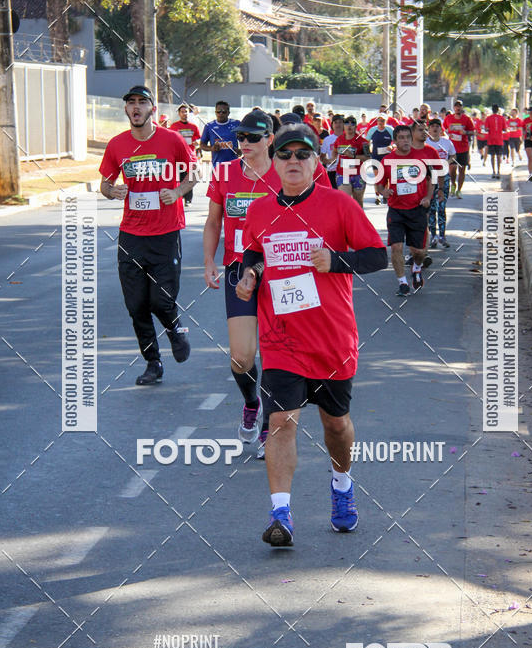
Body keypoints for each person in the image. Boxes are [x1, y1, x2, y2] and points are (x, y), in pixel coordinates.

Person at [235, 124, 388, 546]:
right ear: (276, 162)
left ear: (316, 161)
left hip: (332, 339)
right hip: (282, 338)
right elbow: (251, 257)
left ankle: (342, 485)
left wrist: (335, 260)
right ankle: (281, 514)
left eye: (303, 154)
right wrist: (247, 277)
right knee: (281, 420)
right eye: (285, 155)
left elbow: (376, 256)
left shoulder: (338, 205)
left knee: (335, 424)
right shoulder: (260, 210)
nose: (293, 161)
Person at [204, 114, 331, 458]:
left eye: (253, 137)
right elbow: (213, 221)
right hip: (239, 271)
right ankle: (251, 401)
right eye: (241, 136)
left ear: (269, 139)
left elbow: (325, 210)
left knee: (280, 355)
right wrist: (209, 260)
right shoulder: (225, 172)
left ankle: (267, 430)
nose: (245, 142)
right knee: (242, 358)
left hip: (284, 273)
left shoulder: (290, 170)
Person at [99, 85, 194, 385]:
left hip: (165, 233)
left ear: (153, 108)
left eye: (142, 102)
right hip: (131, 235)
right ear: (126, 109)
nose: (136, 108)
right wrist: (112, 191)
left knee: (161, 301)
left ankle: (175, 329)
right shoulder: (117, 145)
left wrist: (177, 191)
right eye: (131, 103)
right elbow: (104, 182)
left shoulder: (172, 140)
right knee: (136, 305)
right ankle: (153, 362)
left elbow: (192, 174)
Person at [379, 124, 437, 296]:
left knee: (419, 252)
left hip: (417, 209)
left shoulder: (421, 158)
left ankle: (417, 268)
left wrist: (428, 197)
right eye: (401, 138)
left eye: (407, 137)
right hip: (396, 210)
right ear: (395, 141)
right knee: (396, 247)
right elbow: (379, 185)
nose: (405, 140)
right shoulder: (387, 161)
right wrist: (384, 191)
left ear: (411, 139)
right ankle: (402, 283)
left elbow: (431, 179)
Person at [426, 118, 455, 248]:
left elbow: (453, 155)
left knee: (442, 207)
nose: (435, 128)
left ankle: (442, 235)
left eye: (437, 126)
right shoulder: (425, 143)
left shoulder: (447, 142)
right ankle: (433, 236)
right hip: (430, 177)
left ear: (441, 128)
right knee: (432, 208)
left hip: (444, 177)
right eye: (432, 126)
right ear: (429, 129)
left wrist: (446, 163)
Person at [332, 115, 369, 206]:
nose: (349, 126)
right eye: (347, 123)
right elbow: (335, 150)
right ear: (344, 126)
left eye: (352, 124)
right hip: (343, 173)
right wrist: (331, 160)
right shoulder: (339, 139)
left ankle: (358, 219)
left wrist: (353, 156)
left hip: (358, 174)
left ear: (356, 127)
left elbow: (368, 157)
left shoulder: (363, 141)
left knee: (358, 202)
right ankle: (346, 220)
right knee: (346, 200)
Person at [170, 103, 201, 205]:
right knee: (178, 177)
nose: (184, 113)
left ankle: (188, 199)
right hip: (178, 157)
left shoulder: (194, 127)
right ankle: (178, 197)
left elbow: (199, 138)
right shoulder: (174, 126)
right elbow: (170, 140)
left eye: (186, 111)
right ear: (179, 113)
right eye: (182, 112)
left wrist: (197, 142)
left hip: (190, 156)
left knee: (190, 177)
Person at [443, 99, 474, 197]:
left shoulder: (467, 119)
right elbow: (443, 130)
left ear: (462, 108)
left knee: (462, 170)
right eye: (456, 106)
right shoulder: (448, 118)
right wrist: (447, 135)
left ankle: (459, 190)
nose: (458, 108)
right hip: (452, 149)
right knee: (452, 169)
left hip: (463, 148)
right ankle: (453, 184)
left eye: (459, 106)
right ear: (453, 108)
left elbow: (472, 132)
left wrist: (466, 133)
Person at [200, 101, 240, 168]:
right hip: (217, 166)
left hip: (234, 165)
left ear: (228, 113)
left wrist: (241, 151)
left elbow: (245, 139)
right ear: (215, 112)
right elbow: (202, 145)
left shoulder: (236, 124)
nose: (221, 114)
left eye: (224, 112)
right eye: (218, 112)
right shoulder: (209, 126)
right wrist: (211, 148)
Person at [320, 113, 345, 188]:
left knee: (345, 195)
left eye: (340, 122)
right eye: (335, 122)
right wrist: (329, 161)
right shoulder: (327, 140)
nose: (338, 125)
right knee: (334, 194)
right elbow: (322, 157)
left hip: (346, 171)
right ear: (332, 125)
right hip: (332, 171)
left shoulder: (349, 137)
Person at [485, 104, 507, 180]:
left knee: (492, 156)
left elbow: (486, 129)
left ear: (492, 110)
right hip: (499, 139)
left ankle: (493, 171)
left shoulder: (488, 118)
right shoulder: (502, 118)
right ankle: (498, 171)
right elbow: (505, 129)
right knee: (498, 156)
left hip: (491, 139)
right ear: (498, 110)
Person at [522, 106, 532, 181]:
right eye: (529, 113)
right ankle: (530, 174)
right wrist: (524, 133)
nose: (531, 114)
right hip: (528, 140)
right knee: (530, 158)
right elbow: (523, 128)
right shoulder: (526, 120)